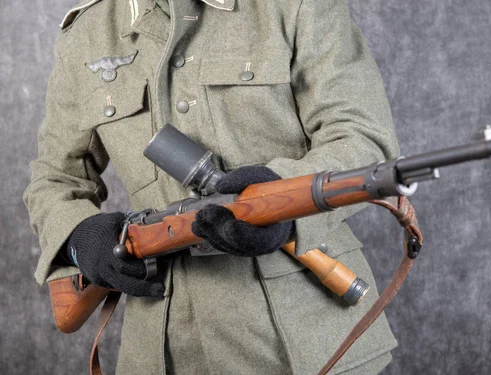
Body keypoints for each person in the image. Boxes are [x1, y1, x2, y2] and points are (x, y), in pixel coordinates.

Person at [24, 0, 401, 373]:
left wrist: (281, 195)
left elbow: (364, 139)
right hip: (163, 347)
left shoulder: (295, 6)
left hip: (305, 335)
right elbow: (55, 180)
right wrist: (79, 237)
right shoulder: (88, 32)